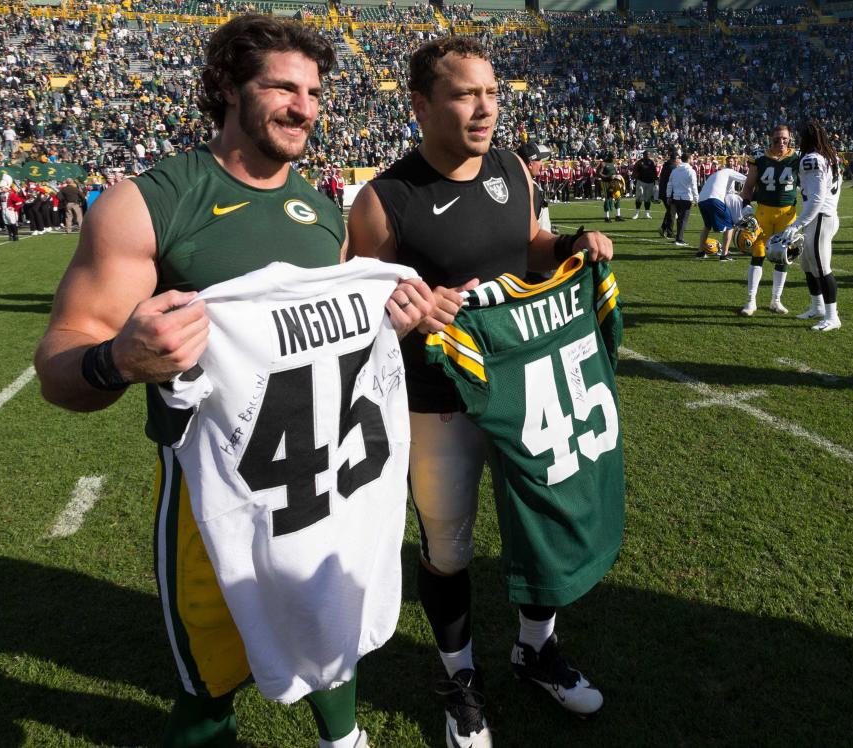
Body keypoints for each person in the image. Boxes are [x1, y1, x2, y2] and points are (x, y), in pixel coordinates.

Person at [34, 16, 432, 748]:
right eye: (282, 86)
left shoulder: (317, 207)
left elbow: (321, 344)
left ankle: (342, 741)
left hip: (328, 484)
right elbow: (59, 363)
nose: (305, 107)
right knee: (209, 679)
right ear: (224, 86)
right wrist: (116, 360)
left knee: (328, 628)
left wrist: (388, 325)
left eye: (314, 91)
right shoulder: (149, 202)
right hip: (214, 499)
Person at [346, 36, 614, 748]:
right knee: (449, 545)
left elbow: (528, 242)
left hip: (525, 386)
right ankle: (460, 677)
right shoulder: (383, 200)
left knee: (543, 519)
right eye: (466, 93)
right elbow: (351, 309)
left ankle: (535, 649)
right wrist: (403, 307)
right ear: (421, 105)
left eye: (492, 92)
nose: (485, 107)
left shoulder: (512, 167)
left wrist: (571, 247)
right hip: (438, 398)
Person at [783, 120, 843, 331]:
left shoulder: (812, 159)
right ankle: (817, 307)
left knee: (821, 267)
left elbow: (817, 198)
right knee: (808, 265)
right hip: (821, 216)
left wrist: (797, 224)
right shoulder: (829, 156)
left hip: (820, 217)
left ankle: (832, 316)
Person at [738, 124, 800, 316]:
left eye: (785, 139)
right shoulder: (759, 157)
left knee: (783, 257)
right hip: (763, 213)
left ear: (790, 139)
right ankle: (751, 301)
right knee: (758, 254)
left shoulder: (798, 158)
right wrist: (746, 204)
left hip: (788, 215)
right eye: (777, 139)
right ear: (770, 139)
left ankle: (776, 300)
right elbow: (748, 185)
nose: (781, 142)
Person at [695, 155, 744, 261]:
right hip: (714, 199)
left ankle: (700, 252)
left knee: (707, 226)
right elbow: (747, 180)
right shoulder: (729, 171)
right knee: (730, 226)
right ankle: (724, 255)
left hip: (701, 200)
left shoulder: (716, 173)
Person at [516, 139, 552, 232]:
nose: (541, 163)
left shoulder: (512, 183)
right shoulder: (531, 187)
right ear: (530, 165)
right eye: (539, 160)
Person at [667, 152, 698, 246]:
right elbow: (694, 186)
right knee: (683, 219)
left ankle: (678, 238)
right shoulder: (691, 171)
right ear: (688, 159)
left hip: (676, 197)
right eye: (692, 158)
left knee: (680, 219)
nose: (693, 160)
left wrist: (668, 196)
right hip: (686, 198)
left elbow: (670, 184)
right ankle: (679, 239)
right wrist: (697, 199)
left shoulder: (675, 170)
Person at [658, 151, 679, 239]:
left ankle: (663, 228)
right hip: (668, 193)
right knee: (671, 212)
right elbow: (672, 181)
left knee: (670, 211)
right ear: (675, 159)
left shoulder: (666, 165)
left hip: (664, 191)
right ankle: (669, 231)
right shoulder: (672, 167)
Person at [631, 149, 657, 219]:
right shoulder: (639, 162)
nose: (647, 156)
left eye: (648, 154)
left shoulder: (652, 162)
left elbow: (655, 173)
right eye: (646, 154)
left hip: (650, 182)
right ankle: (636, 213)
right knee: (639, 197)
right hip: (641, 182)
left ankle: (647, 214)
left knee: (647, 199)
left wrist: (656, 182)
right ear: (643, 155)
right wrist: (632, 180)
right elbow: (635, 171)